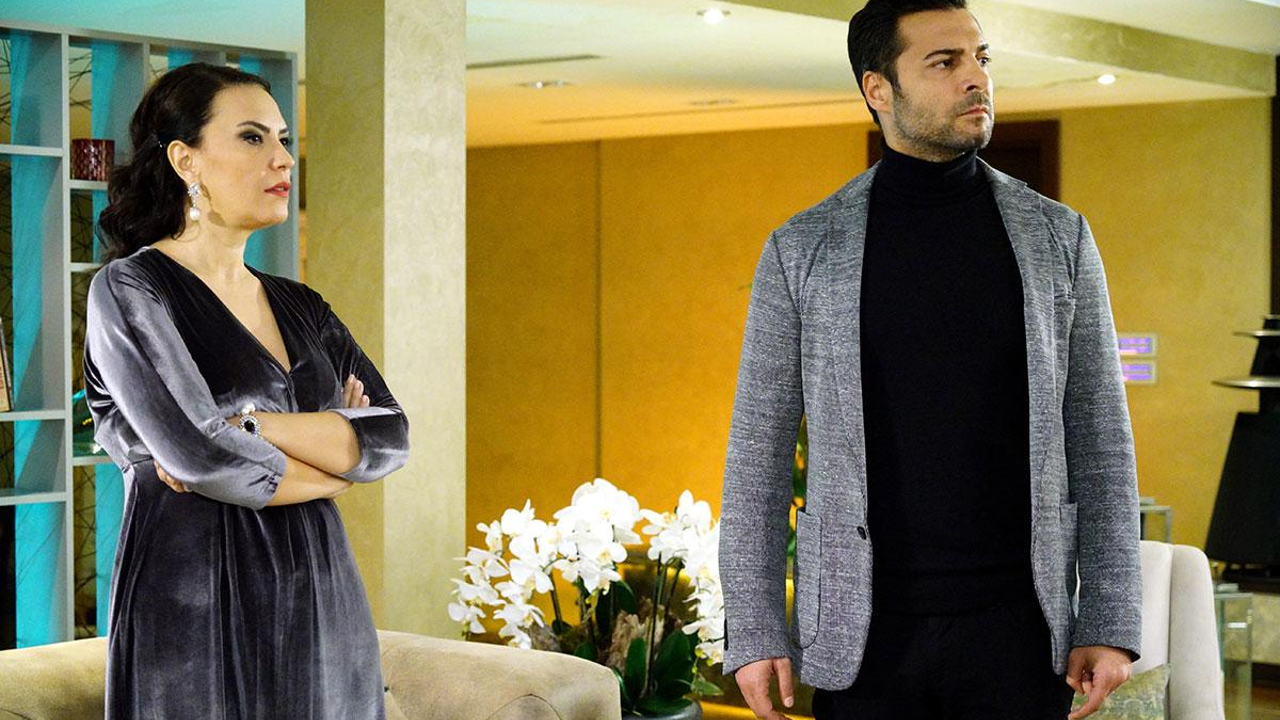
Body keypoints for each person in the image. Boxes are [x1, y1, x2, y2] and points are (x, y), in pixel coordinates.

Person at [717, 1, 1142, 719]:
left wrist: (1109, 619)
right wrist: (755, 629)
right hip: (862, 636)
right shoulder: (803, 249)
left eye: (980, 58)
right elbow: (757, 453)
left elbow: (1102, 442)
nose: (975, 78)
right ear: (878, 89)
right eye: (944, 63)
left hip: (1019, 631)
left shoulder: (1058, 238)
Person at [84, 62, 409, 719]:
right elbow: (202, 455)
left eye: (283, 139)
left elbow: (390, 435)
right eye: (253, 138)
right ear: (186, 160)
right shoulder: (130, 290)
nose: (282, 158)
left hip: (322, 593)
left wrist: (252, 427)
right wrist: (334, 468)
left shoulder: (302, 303)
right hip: (196, 601)